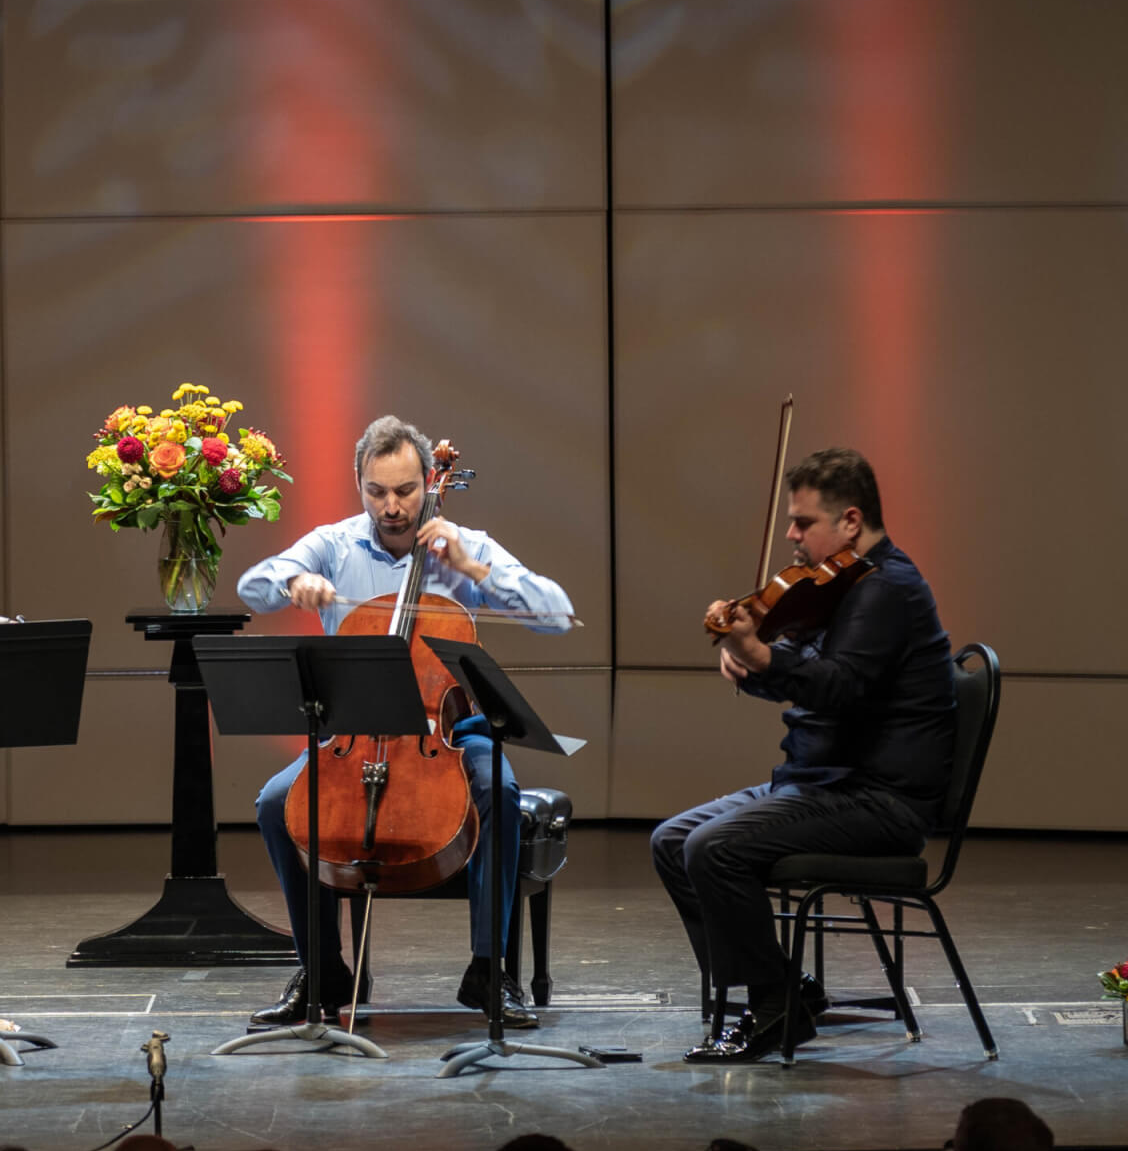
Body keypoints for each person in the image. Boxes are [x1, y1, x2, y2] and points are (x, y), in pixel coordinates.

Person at [237, 415, 575, 1028]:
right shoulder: (334, 545)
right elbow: (252, 585)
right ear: (358, 484)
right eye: (377, 492)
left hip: (443, 737)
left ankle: (489, 970)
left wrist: (475, 572)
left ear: (427, 483)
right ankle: (323, 969)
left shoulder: (465, 545)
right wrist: (295, 578)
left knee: (497, 789)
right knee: (273, 803)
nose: (392, 507)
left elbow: (556, 613)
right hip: (351, 733)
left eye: (405, 491)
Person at [653, 448, 955, 1063]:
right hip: (820, 785)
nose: (790, 535)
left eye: (803, 522)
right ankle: (780, 989)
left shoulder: (887, 590)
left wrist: (763, 658)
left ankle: (773, 1007)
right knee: (671, 840)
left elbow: (840, 687)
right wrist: (750, 667)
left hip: (875, 799)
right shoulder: (840, 587)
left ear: (850, 521)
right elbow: (805, 678)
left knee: (713, 848)